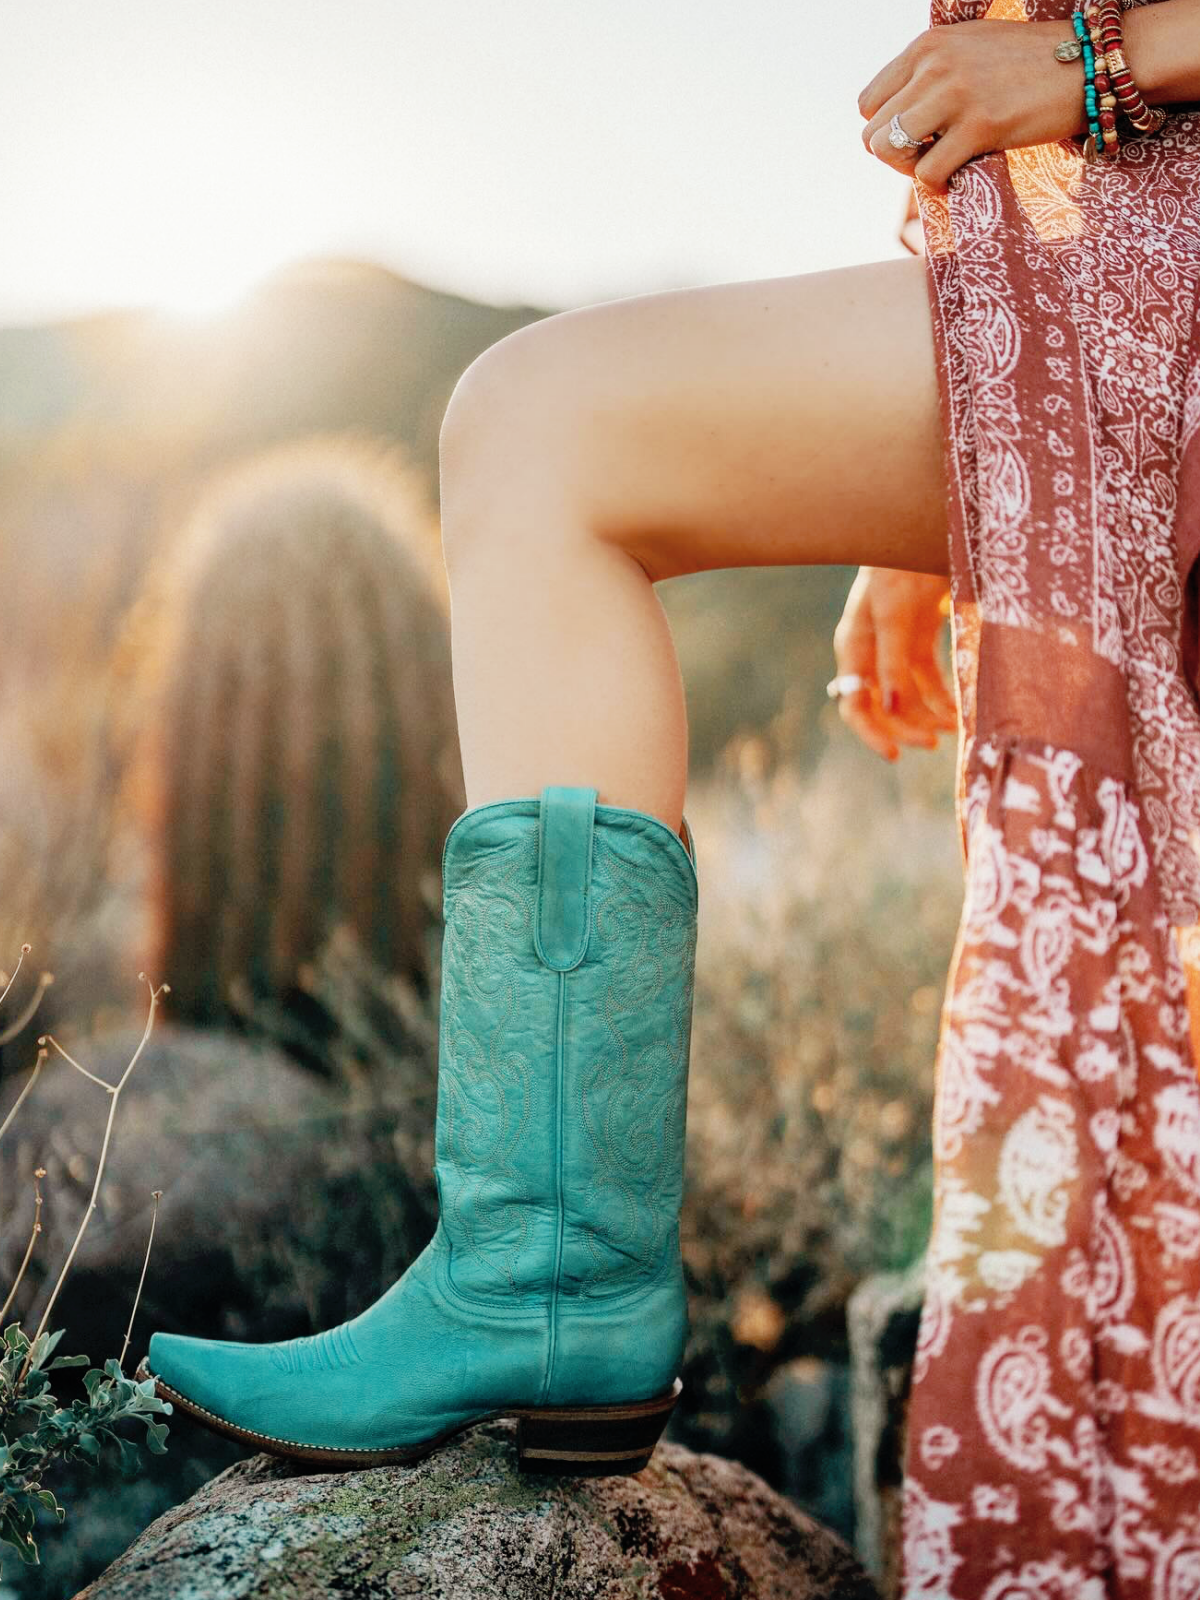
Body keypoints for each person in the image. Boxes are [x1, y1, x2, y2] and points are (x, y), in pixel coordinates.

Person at [141, 1, 1200, 1590]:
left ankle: (544, 1277)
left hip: (1148, 234)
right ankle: (546, 1274)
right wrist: (927, 512)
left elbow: (1064, 70)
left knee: (538, 425)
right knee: (542, 429)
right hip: (1073, 265)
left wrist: (1093, 61)